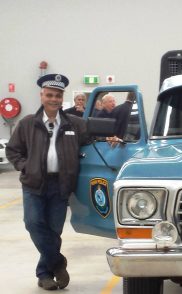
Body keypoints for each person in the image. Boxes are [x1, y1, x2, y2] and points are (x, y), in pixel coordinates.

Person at [6, 74, 90, 291]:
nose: (54, 99)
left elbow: (93, 141)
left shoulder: (75, 124)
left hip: (61, 185)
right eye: (49, 95)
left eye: (58, 96)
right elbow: (13, 150)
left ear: (62, 98)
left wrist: (111, 139)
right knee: (33, 223)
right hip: (33, 184)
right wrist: (25, 166)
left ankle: (44, 274)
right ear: (42, 96)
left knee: (53, 231)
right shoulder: (27, 124)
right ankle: (58, 263)